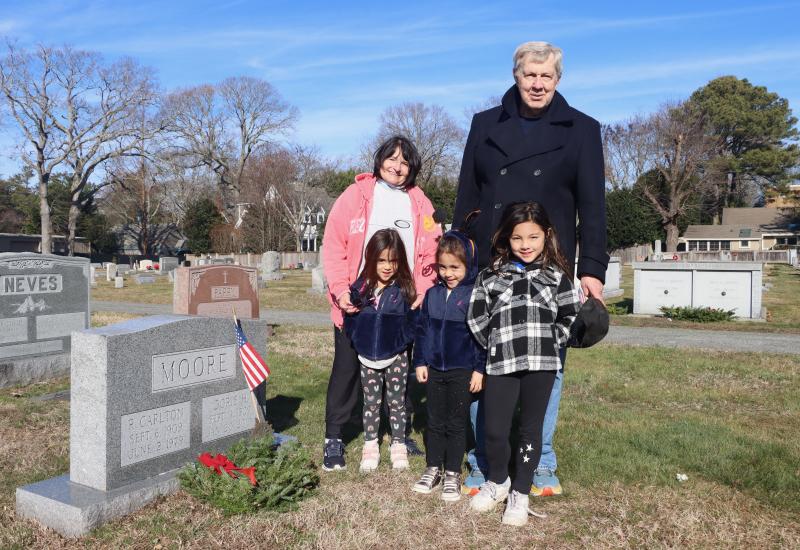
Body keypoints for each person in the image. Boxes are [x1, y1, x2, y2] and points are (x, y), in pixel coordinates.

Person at [454, 41, 608, 496]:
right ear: (516, 75)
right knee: (485, 357)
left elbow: (593, 208)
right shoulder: (484, 125)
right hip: (492, 260)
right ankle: (484, 462)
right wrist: (460, 256)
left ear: (558, 80)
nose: (537, 84)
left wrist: (592, 268)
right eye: (530, 75)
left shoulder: (582, 128)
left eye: (547, 76)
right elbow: (467, 196)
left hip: (551, 263)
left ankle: (541, 462)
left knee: (548, 366)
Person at [321, 135, 441, 471]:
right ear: (379, 160)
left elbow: (432, 251)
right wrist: (342, 290)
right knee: (346, 370)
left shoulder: (420, 203)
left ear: (412, 168)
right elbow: (334, 245)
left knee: (398, 369)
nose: (397, 167)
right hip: (357, 300)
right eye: (392, 159)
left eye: (405, 162)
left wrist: (421, 289)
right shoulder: (355, 196)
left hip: (400, 301)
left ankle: (399, 434)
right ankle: (334, 437)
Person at [466, 202, 580, 526]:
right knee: (495, 430)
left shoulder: (556, 276)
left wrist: (553, 338)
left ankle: (520, 491)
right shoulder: (491, 276)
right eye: (517, 238)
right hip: (501, 364)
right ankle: (498, 481)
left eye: (533, 237)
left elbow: (570, 315)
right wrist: (494, 342)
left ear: (546, 236)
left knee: (531, 429)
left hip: (541, 366)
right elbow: (476, 316)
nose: (525, 245)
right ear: (506, 238)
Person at [411, 231, 485, 500]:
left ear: (469, 265)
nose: (448, 273)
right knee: (434, 421)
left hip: (462, 371)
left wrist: (479, 369)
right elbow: (421, 330)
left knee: (455, 422)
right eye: (443, 267)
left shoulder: (474, 295)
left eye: (455, 267)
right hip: (434, 370)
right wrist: (420, 361)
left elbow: (481, 337)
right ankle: (433, 468)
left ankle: (452, 472)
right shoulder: (431, 295)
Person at [344, 229, 417, 472]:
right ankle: (370, 445)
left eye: (393, 260)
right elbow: (351, 321)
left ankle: (398, 444)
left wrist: (402, 343)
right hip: (367, 358)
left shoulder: (404, 289)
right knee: (371, 403)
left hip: (396, 356)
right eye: (382, 260)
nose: (387, 266)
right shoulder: (360, 289)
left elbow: (412, 322)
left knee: (396, 403)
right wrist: (359, 340)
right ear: (371, 258)